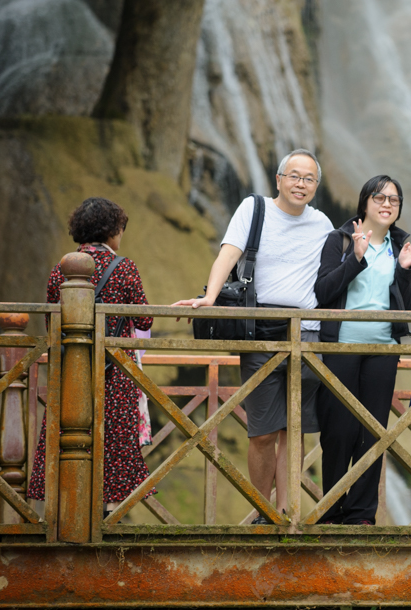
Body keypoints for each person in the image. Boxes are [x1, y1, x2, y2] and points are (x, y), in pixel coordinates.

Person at [174, 149, 333, 524]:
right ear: (278, 179)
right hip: (261, 330)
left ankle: (287, 512)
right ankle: (262, 511)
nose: (300, 184)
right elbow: (228, 254)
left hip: (307, 334)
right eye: (293, 176)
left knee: (294, 431)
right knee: (262, 431)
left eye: (309, 179)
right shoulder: (254, 208)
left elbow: (334, 277)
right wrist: (210, 297)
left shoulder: (322, 223)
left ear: (316, 186)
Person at [28, 197, 155, 514]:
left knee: (69, 432)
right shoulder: (123, 267)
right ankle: (108, 512)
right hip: (115, 371)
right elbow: (143, 319)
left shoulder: (61, 268)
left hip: (72, 367)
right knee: (114, 437)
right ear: (113, 231)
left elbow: (51, 320)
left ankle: (69, 506)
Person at [313, 175, 411, 525]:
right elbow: (323, 291)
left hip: (384, 349)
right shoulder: (341, 239)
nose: (387, 204)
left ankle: (362, 514)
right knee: (338, 430)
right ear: (365, 202)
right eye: (380, 197)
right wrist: (356, 258)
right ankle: (331, 510)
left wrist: (405, 271)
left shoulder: (402, 245)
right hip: (342, 344)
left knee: (373, 431)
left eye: (394, 199)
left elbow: (406, 309)